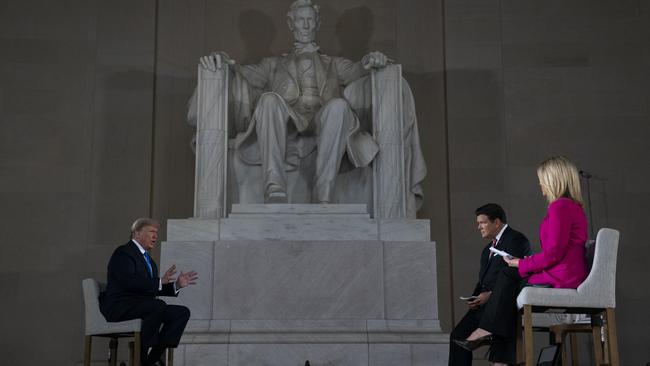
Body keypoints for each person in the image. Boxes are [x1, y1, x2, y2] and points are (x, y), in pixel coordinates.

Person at [195, 0, 390, 204]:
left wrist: (372, 60)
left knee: (339, 106)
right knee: (268, 99)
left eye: (310, 20)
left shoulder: (334, 64)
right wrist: (221, 59)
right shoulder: (272, 65)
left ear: (317, 23)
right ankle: (274, 186)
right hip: (288, 120)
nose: (305, 25)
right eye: (300, 20)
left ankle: (323, 193)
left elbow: (359, 69)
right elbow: (241, 72)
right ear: (290, 23)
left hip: (323, 119)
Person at [454, 156, 589, 365]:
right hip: (565, 271)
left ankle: (488, 334)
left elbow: (554, 253)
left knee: (508, 277)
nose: (540, 184)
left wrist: (521, 264)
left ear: (555, 179)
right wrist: (524, 263)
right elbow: (557, 250)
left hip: (563, 276)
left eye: (542, 179)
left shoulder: (560, 207)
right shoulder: (571, 206)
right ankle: (498, 353)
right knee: (508, 300)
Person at [99, 218, 199, 366]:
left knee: (181, 312)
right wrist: (159, 281)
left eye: (156, 233)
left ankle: (150, 360)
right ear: (137, 233)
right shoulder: (123, 252)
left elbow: (150, 287)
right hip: (120, 307)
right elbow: (128, 282)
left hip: (142, 306)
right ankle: (140, 357)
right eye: (152, 232)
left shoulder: (149, 261)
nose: (155, 236)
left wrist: (176, 285)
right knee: (156, 305)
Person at [449, 204, 532, 365]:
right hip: (483, 305)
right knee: (457, 336)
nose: (479, 227)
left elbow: (515, 275)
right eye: (478, 223)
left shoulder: (516, 239)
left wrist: (491, 295)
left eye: (483, 223)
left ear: (496, 222)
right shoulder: (487, 248)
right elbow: (483, 281)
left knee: (502, 332)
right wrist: (474, 298)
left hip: (503, 302)